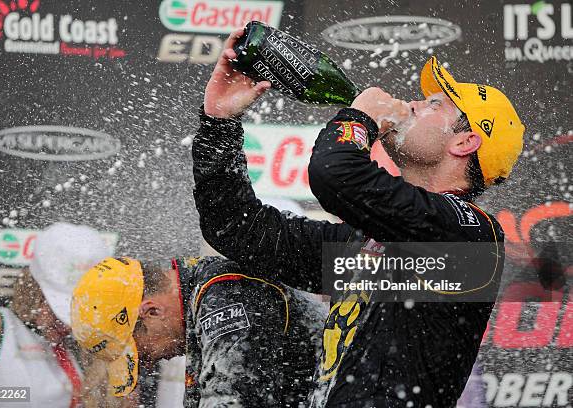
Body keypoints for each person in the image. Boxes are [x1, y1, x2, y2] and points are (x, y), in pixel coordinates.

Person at [193, 28, 524, 407]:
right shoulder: (366, 243)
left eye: (434, 104)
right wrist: (218, 123)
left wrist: (360, 117)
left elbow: (336, 174)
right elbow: (238, 228)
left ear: (464, 143)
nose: (413, 104)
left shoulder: (469, 237)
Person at [71, 256, 328, 407]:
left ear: (152, 312)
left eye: (140, 352)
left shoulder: (223, 296)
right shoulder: (199, 297)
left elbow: (232, 401)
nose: (147, 363)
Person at [0, 222, 113, 408]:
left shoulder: (96, 342)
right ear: (35, 289)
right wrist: (14, 395)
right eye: (58, 312)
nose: (67, 326)